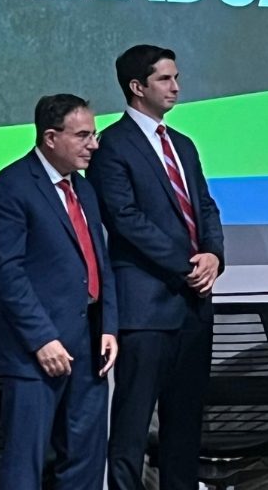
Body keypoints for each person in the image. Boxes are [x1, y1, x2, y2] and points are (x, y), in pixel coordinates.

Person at [86, 45, 224, 490]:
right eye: (165, 79)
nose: (177, 87)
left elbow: (204, 205)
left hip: (193, 306)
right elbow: (124, 219)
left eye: (176, 77)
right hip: (145, 308)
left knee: (184, 427)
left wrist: (214, 256)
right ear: (137, 86)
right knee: (132, 426)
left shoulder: (182, 144)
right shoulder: (112, 145)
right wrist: (187, 263)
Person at [0, 94, 119, 490]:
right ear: (50, 138)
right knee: (25, 464)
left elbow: (101, 262)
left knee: (86, 461)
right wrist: (42, 339)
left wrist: (109, 325)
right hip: (35, 352)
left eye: (94, 134)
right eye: (82, 136)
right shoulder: (11, 187)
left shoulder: (85, 190)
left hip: (90, 344)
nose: (93, 144)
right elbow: (7, 273)